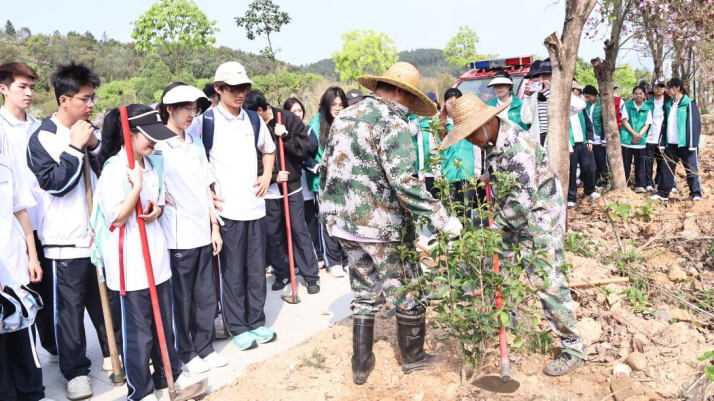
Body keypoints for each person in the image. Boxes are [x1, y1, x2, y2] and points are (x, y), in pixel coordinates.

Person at [320, 61, 463, 384]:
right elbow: (405, 183)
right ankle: (414, 357)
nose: (411, 106)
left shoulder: (345, 117)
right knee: (408, 287)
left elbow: (326, 168)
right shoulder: (391, 122)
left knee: (364, 290)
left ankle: (361, 364)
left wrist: (331, 214)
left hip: (342, 222)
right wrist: (442, 219)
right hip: (380, 226)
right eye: (411, 98)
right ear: (399, 91)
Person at [441, 93, 586, 376]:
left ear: (487, 124)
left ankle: (573, 347)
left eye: (470, 134)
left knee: (547, 282)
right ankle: (509, 326)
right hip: (511, 221)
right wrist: (490, 176)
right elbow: (507, 176)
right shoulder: (493, 141)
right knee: (498, 273)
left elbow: (521, 202)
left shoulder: (518, 146)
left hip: (538, 222)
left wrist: (490, 232)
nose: (469, 140)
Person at [95, 104, 199, 401]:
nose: (154, 141)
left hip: (156, 256)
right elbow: (116, 218)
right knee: (139, 333)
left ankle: (168, 376)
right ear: (129, 134)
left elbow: (160, 202)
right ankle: (139, 391)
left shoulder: (153, 164)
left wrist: (156, 210)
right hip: (130, 263)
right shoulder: (115, 170)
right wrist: (136, 187)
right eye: (148, 135)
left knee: (163, 323)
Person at [26, 62, 112, 400]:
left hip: (97, 237)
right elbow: (56, 184)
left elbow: (107, 173)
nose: (90, 105)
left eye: (93, 98)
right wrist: (76, 148)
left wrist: (94, 146)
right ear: (64, 99)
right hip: (64, 241)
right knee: (70, 313)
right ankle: (75, 371)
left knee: (104, 301)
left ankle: (114, 353)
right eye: (84, 98)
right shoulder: (42, 138)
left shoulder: (91, 131)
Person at [187, 61, 278, 351]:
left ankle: (257, 322)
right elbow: (195, 162)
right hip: (227, 211)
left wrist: (267, 174)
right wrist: (207, 193)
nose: (240, 94)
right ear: (219, 89)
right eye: (233, 88)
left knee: (256, 270)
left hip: (255, 207)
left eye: (244, 88)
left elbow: (269, 150)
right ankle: (237, 326)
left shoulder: (253, 120)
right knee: (233, 273)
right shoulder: (205, 122)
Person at [156, 83, 227, 374]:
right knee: (182, 299)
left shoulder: (195, 142)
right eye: (185, 108)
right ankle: (186, 352)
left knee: (206, 295)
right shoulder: (158, 144)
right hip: (177, 235)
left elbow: (206, 187)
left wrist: (214, 226)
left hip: (202, 230)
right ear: (170, 109)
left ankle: (205, 346)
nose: (191, 115)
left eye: (194, 109)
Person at [0, 61, 58, 361]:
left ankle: (54, 348)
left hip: (45, 220)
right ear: (3, 88)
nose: (29, 93)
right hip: (15, 227)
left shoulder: (40, 127)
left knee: (48, 290)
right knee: (22, 292)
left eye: (32, 87)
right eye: (22, 86)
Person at [244, 90, 319, 293]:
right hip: (269, 190)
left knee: (298, 229)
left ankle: (311, 275)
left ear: (261, 109)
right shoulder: (251, 126)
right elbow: (252, 158)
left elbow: (303, 149)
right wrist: (273, 176)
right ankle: (282, 272)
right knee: (273, 233)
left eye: (252, 114)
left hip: (292, 188)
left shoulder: (287, 119)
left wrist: (285, 136)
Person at [0, 153, 46, 401]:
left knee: (23, 330)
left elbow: (21, 211)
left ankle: (32, 392)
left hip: (14, 265)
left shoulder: (6, 163)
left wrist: (33, 257)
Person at [304, 87, 350, 278]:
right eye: (334, 105)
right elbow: (304, 155)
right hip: (324, 184)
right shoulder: (314, 127)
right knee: (329, 222)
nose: (338, 108)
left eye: (341, 105)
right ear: (325, 105)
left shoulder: (347, 123)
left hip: (346, 182)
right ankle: (333, 262)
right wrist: (317, 167)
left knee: (346, 221)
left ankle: (348, 259)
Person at [652, 78, 703, 201]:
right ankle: (663, 193)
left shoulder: (689, 103)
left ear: (678, 88)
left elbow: (695, 124)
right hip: (671, 144)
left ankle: (696, 193)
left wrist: (692, 144)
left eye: (670, 87)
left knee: (691, 169)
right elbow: (664, 124)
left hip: (686, 143)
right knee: (667, 168)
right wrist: (662, 142)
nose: (667, 90)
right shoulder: (668, 105)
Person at [521, 58, 586, 147]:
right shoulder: (533, 96)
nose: (536, 80)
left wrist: (551, 91)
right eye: (533, 77)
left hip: (556, 139)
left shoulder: (559, 92)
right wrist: (527, 96)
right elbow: (526, 119)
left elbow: (580, 105)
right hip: (539, 140)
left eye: (540, 76)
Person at [439, 88, 476, 208]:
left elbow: (476, 147)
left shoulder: (469, 123)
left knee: (466, 209)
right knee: (451, 209)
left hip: (467, 172)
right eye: (450, 102)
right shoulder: (439, 125)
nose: (453, 105)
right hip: (447, 173)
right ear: (445, 103)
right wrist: (437, 172)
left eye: (457, 102)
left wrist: (477, 169)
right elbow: (434, 149)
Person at [567, 101, 600, 207]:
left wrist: (590, 139)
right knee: (571, 170)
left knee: (590, 166)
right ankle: (571, 197)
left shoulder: (581, 108)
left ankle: (589, 191)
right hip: (570, 144)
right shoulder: (563, 109)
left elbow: (588, 123)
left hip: (584, 142)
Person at [620, 86, 652, 193]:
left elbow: (647, 124)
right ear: (633, 95)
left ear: (644, 95)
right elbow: (624, 120)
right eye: (636, 93)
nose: (638, 95)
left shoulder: (647, 108)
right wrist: (634, 134)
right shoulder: (627, 105)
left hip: (640, 141)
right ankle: (625, 183)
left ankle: (640, 185)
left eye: (641, 93)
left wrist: (639, 135)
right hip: (627, 140)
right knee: (626, 163)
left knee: (640, 164)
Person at [644, 77, 670, 192]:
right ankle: (648, 183)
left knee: (661, 162)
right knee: (648, 161)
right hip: (649, 138)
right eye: (656, 86)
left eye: (661, 86)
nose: (659, 89)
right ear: (653, 88)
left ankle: (659, 181)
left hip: (663, 139)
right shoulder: (648, 103)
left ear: (665, 88)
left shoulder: (669, 102)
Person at [582, 85, 610, 188]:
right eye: (586, 97)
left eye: (588, 96)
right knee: (593, 162)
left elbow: (605, 122)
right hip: (590, 139)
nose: (587, 99)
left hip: (599, 138)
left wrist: (604, 139)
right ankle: (597, 182)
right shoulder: (586, 105)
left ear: (594, 94)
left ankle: (607, 181)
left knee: (602, 161)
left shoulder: (602, 103)